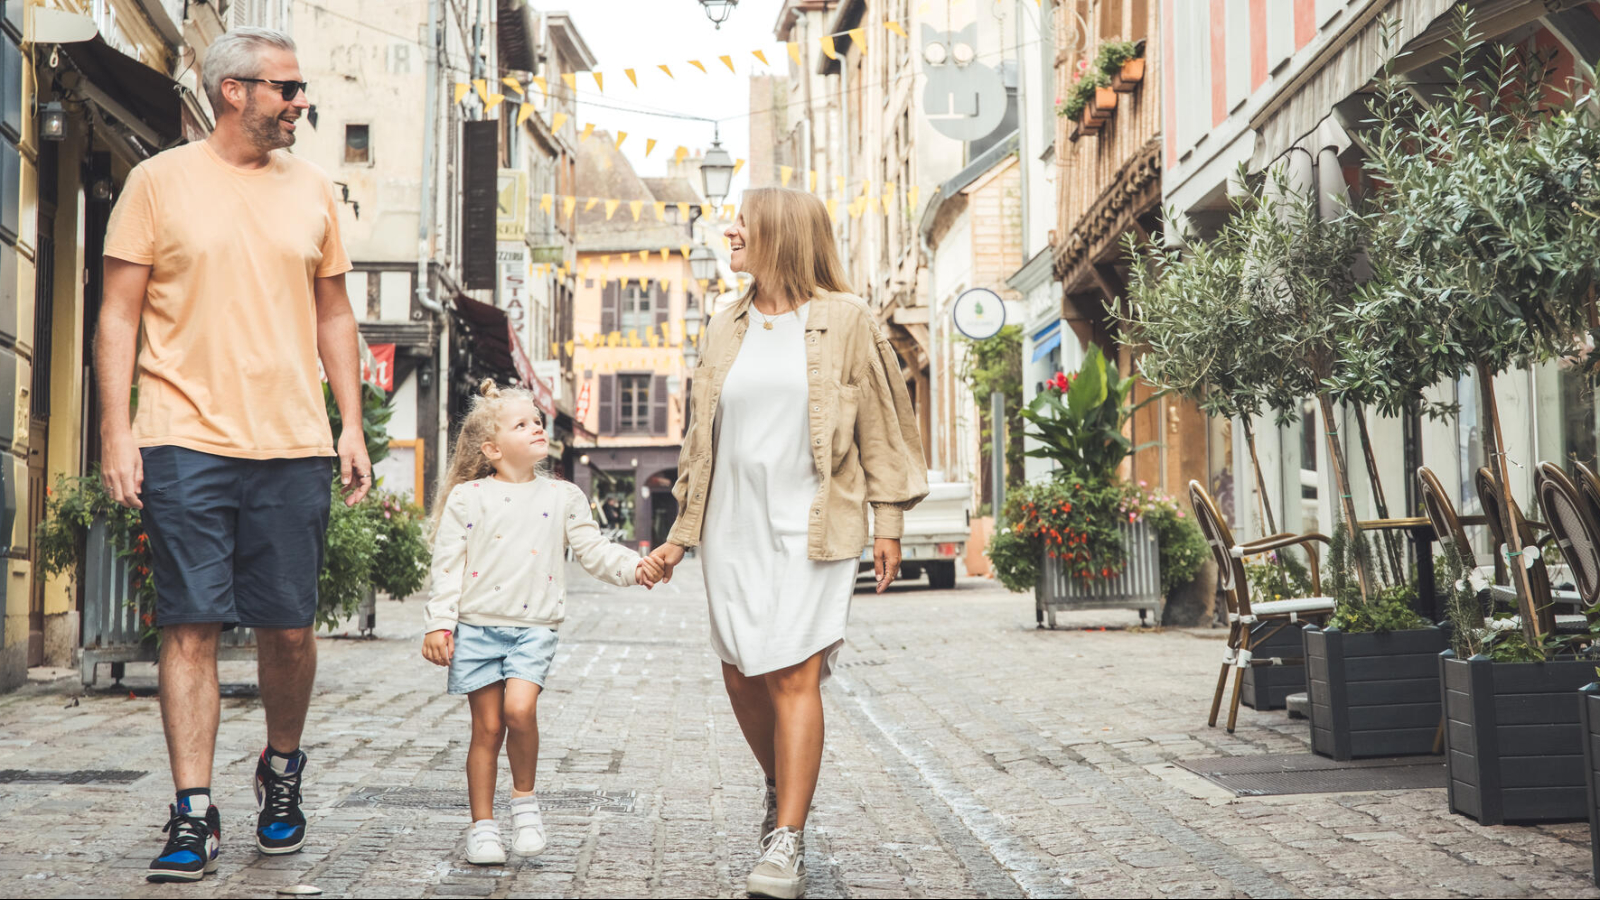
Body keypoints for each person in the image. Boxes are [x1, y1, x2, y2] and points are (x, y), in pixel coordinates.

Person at [95, 27, 366, 883]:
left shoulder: (314, 190)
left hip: (291, 438)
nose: (301, 102)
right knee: (191, 623)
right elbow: (117, 317)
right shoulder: (155, 183)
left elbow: (333, 315)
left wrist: (351, 422)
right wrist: (116, 430)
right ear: (232, 92)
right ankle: (192, 813)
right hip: (182, 436)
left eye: (300, 88)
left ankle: (281, 774)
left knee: (288, 628)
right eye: (286, 88)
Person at [649, 187, 928, 899]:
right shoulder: (725, 325)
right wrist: (680, 536)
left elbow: (885, 426)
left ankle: (787, 841)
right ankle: (781, 783)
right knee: (742, 671)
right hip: (731, 524)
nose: (730, 229)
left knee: (793, 672)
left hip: (816, 521)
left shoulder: (847, 319)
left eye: (743, 221)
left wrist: (889, 520)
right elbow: (698, 442)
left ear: (779, 234)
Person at [421, 380, 666, 865]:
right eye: (522, 424)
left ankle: (525, 804)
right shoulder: (468, 498)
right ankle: (483, 827)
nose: (536, 427)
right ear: (492, 448)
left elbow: (593, 551)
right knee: (486, 728)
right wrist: (439, 623)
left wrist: (633, 568)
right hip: (475, 628)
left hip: (534, 628)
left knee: (519, 711)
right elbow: (447, 564)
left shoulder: (563, 495)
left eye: (537, 421)